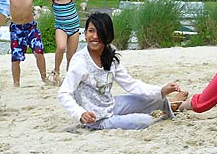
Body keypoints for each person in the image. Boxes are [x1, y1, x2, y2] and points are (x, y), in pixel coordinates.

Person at [57, 13, 188, 130]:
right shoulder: (80, 61)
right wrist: (80, 114)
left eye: (100, 32)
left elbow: (130, 84)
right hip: (98, 119)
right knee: (144, 120)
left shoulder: (110, 54)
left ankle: (172, 105)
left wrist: (161, 90)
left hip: (112, 105)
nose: (95, 36)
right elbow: (64, 93)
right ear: (85, 33)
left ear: (108, 35)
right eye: (91, 31)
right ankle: (174, 105)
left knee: (159, 99)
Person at [29, 0, 110, 85]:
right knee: (61, 47)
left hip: (74, 28)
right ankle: (56, 71)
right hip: (61, 27)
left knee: (71, 55)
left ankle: (70, 75)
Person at [8, 0, 49, 87]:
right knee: (16, 58)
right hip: (16, 29)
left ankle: (44, 77)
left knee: (39, 52)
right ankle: (16, 83)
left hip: (31, 27)